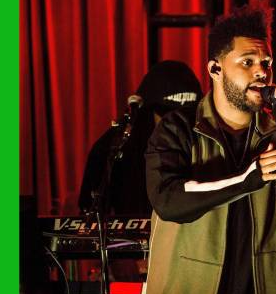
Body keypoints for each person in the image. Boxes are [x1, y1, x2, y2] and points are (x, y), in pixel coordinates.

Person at [141, 4, 276, 294]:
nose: (261, 72)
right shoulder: (178, 129)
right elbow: (169, 200)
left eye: (266, 64)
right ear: (215, 69)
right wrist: (247, 178)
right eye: (247, 62)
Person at [78, 60, 203, 216]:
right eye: (166, 118)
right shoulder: (116, 146)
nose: (174, 126)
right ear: (147, 113)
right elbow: (88, 207)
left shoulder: (207, 144)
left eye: (184, 119)